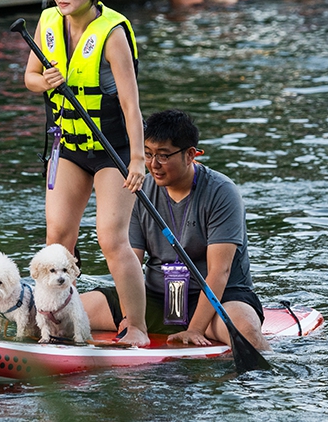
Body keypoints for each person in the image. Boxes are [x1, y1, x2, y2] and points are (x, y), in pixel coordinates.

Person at [23, 0, 150, 348]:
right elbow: (29, 77)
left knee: (111, 238)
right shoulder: (47, 23)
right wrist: (45, 81)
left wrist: (138, 159)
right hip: (68, 146)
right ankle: (54, 320)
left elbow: (131, 104)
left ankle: (136, 325)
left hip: (112, 149)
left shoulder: (112, 33)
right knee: (57, 237)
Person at [81, 110, 269, 350]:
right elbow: (130, 261)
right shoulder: (139, 191)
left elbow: (219, 271)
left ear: (190, 155)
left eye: (163, 155)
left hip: (217, 301)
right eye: (148, 154)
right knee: (59, 315)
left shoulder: (222, 192)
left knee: (248, 334)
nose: (153, 165)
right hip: (156, 298)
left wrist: (195, 329)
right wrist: (130, 318)